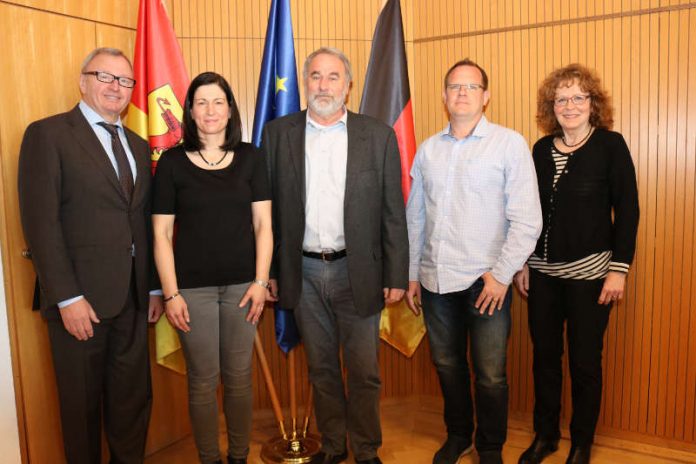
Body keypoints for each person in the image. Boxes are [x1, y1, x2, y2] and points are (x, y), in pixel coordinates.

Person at [261, 47, 409, 464]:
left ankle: (365, 450)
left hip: (358, 270)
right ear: (305, 81)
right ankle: (332, 445)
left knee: (364, 372)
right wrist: (271, 271)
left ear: (348, 85)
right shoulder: (278, 134)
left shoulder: (377, 135)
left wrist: (397, 274)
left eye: (333, 77)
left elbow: (392, 211)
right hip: (302, 272)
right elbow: (267, 212)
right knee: (322, 369)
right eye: (315, 76)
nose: (323, 85)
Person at [17, 47, 163, 464]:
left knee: (132, 406)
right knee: (80, 412)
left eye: (125, 81)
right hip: (79, 305)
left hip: (134, 302)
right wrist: (66, 297)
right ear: (83, 81)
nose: (116, 87)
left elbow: (143, 222)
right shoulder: (48, 135)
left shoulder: (137, 146)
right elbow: (41, 225)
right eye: (105, 77)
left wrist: (152, 286)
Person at [405, 59, 542, 464]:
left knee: (491, 375)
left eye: (471, 86)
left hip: (488, 285)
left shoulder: (509, 144)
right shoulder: (428, 151)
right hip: (434, 281)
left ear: (486, 96)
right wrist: (412, 273)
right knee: (447, 365)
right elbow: (416, 217)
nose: (462, 93)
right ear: (444, 96)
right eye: (454, 86)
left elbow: (527, 219)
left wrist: (502, 277)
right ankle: (459, 435)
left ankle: (489, 446)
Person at [514, 64, 639, 464]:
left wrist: (619, 269)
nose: (569, 105)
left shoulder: (610, 146)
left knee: (585, 363)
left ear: (592, 103)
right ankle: (545, 436)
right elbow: (528, 213)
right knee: (545, 360)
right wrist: (523, 263)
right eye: (561, 99)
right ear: (552, 107)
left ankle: (582, 442)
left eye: (578, 97)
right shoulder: (539, 150)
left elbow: (629, 211)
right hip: (542, 277)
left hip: (591, 278)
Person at [152, 72, 272, 464]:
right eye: (201, 102)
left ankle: (238, 457)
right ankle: (209, 458)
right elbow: (161, 235)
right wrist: (171, 294)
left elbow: (264, 226)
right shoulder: (171, 163)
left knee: (239, 380)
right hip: (192, 292)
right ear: (188, 111)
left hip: (243, 288)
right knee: (203, 383)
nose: (210, 110)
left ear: (231, 108)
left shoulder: (252, 157)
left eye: (218, 101)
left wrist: (259, 282)